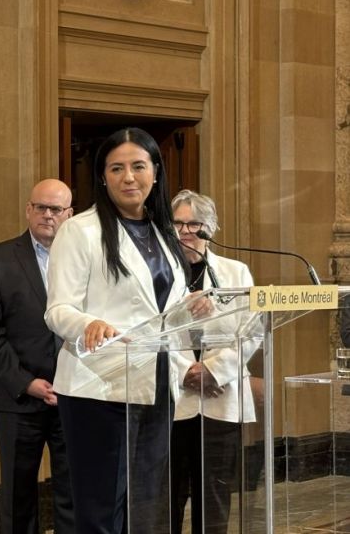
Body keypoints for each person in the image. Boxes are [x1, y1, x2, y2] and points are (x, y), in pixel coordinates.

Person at [44, 127, 198, 534]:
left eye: (138, 166)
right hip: (99, 386)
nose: (128, 177)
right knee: (101, 509)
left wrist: (194, 309)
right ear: (103, 176)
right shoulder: (80, 230)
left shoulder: (163, 232)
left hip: (157, 383)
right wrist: (87, 323)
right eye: (117, 168)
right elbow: (57, 309)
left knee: (145, 505)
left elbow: (164, 308)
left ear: (155, 173)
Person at [0, 179, 76, 534]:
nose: (48, 216)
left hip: (75, 394)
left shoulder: (85, 260)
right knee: (18, 499)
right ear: (28, 210)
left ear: (70, 214)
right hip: (18, 397)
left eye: (56, 209)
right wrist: (26, 382)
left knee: (74, 494)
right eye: (41, 208)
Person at [168, 189, 256, 534]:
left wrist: (213, 371)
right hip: (174, 402)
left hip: (221, 400)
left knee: (215, 501)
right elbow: (141, 329)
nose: (186, 231)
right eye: (178, 223)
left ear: (210, 229)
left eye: (194, 224)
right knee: (167, 497)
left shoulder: (236, 272)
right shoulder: (156, 274)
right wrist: (184, 372)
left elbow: (252, 333)